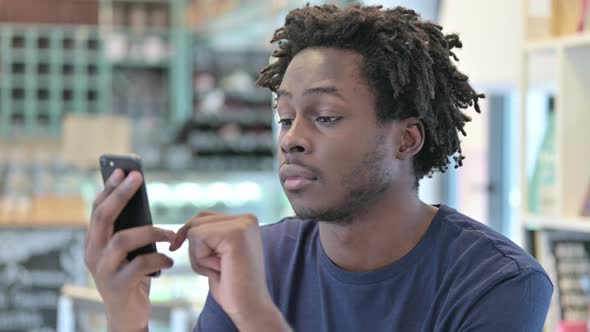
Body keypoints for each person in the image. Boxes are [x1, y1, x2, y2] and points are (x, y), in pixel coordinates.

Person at [85, 4, 553, 332]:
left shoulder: (498, 283)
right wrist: (127, 318)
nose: (291, 139)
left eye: (325, 117)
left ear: (406, 139)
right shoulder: (261, 259)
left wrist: (257, 316)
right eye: (285, 118)